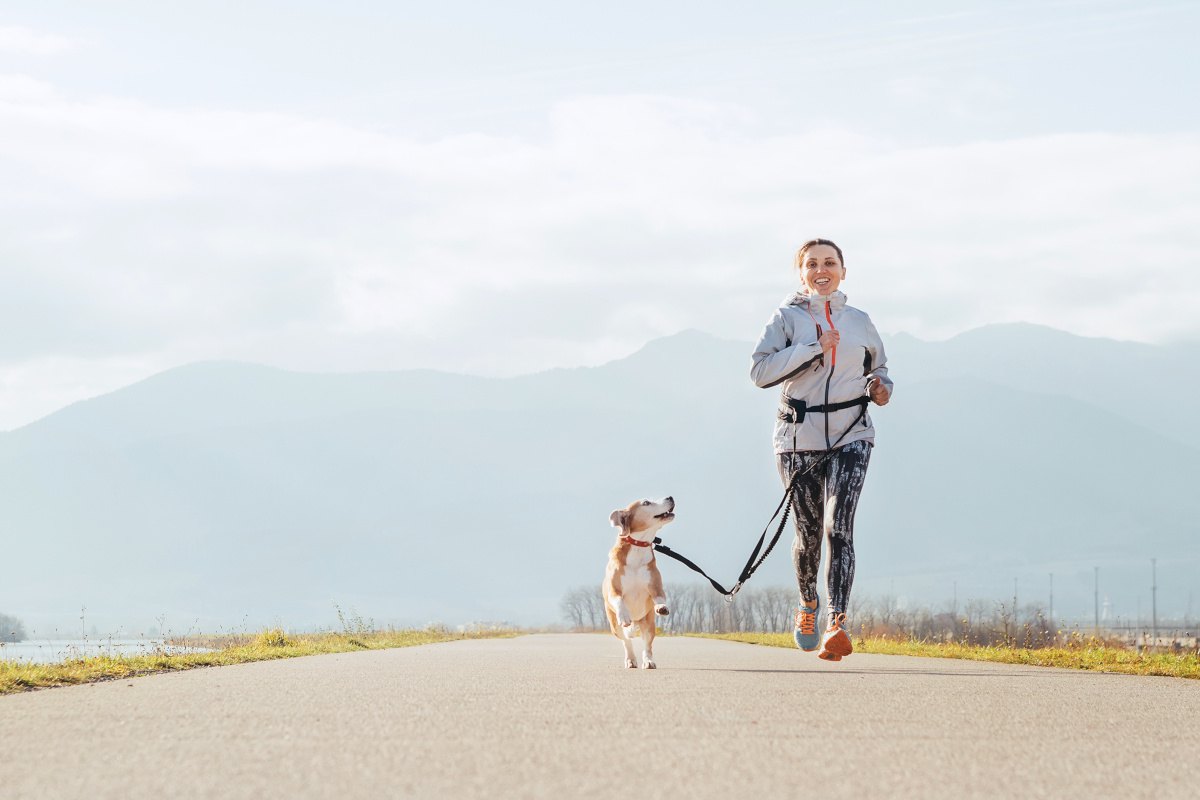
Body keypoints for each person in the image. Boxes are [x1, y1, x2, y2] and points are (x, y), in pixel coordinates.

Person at [749, 238, 892, 661]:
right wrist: (814, 347)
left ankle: (837, 622)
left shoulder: (861, 321)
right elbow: (758, 371)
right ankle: (808, 603)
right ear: (802, 273)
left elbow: (879, 367)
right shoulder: (786, 318)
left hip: (852, 433)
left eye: (830, 262)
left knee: (838, 526)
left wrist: (881, 388)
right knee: (808, 534)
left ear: (843, 271)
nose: (821, 269)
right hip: (798, 438)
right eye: (812, 264)